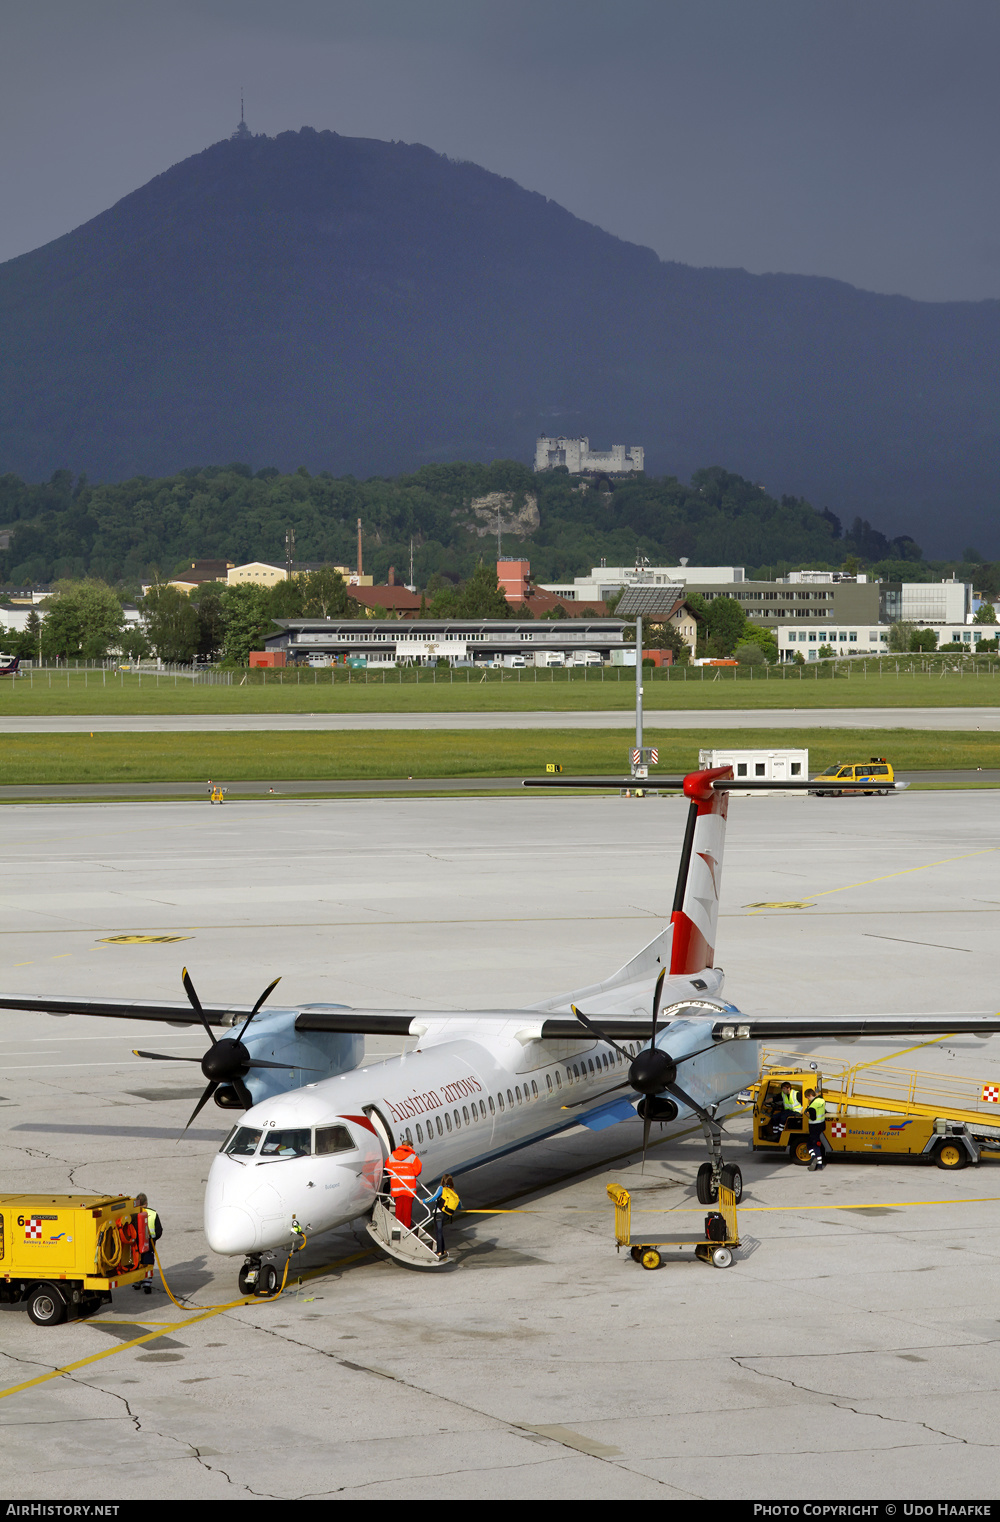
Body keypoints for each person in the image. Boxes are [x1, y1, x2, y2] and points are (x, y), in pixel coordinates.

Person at [385, 1141, 422, 1229]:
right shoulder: (412, 1158)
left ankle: (399, 1225)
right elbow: (417, 1170)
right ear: (409, 1146)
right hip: (409, 1187)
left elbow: (388, 1169)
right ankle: (407, 1226)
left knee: (399, 1208)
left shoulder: (391, 1157)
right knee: (407, 1209)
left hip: (397, 1187)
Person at [425, 1174, 461, 1260]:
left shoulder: (441, 1188)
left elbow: (433, 1198)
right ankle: (443, 1250)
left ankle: (439, 1251)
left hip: (439, 1213)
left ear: (442, 1180)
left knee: (438, 1232)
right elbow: (459, 1203)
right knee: (440, 1232)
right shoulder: (452, 1190)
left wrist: (423, 1201)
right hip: (447, 1215)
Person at [134, 1192, 162, 1294]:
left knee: (137, 1261)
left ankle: (137, 1281)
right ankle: (147, 1284)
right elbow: (159, 1231)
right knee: (148, 1262)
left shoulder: (134, 1213)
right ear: (146, 1202)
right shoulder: (153, 1214)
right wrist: (153, 1239)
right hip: (149, 1242)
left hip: (136, 1243)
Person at [803, 1088, 827, 1170]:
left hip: (814, 1127)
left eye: (807, 1097)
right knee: (811, 1144)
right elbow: (819, 1096)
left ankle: (817, 1161)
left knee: (814, 1145)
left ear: (810, 1095)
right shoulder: (822, 1100)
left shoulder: (812, 1106)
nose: (807, 1099)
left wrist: (806, 1113)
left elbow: (812, 1118)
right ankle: (816, 1160)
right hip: (822, 1125)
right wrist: (817, 1093)